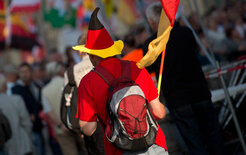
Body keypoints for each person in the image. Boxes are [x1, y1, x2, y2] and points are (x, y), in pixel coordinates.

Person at [72, 8, 167, 155]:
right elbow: (159, 113)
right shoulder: (137, 67)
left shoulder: (87, 82)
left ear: (91, 56)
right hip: (154, 144)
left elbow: (88, 129)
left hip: (120, 149)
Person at [142, 2, 226, 155]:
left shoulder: (151, 44)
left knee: (194, 142)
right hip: (199, 92)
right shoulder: (185, 32)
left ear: (152, 21)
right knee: (214, 137)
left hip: (178, 99)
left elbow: (146, 69)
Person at [64, 33, 105, 155]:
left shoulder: (71, 72)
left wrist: (77, 127)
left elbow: (69, 100)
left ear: (80, 51)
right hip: (111, 117)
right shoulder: (104, 62)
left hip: (89, 123)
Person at [42, 62, 86, 155]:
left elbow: (49, 111)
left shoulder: (45, 90)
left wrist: (60, 125)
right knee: (87, 150)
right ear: (59, 70)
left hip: (61, 129)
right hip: (78, 123)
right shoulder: (69, 82)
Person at [0, 73, 33, 155]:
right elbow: (26, 122)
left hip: (6, 146)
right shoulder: (16, 99)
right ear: (5, 86)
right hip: (23, 143)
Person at [12, 63, 45, 155]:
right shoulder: (16, 89)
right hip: (27, 129)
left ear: (31, 72)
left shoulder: (36, 87)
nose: (24, 74)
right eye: (22, 72)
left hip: (39, 126)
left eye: (26, 71)